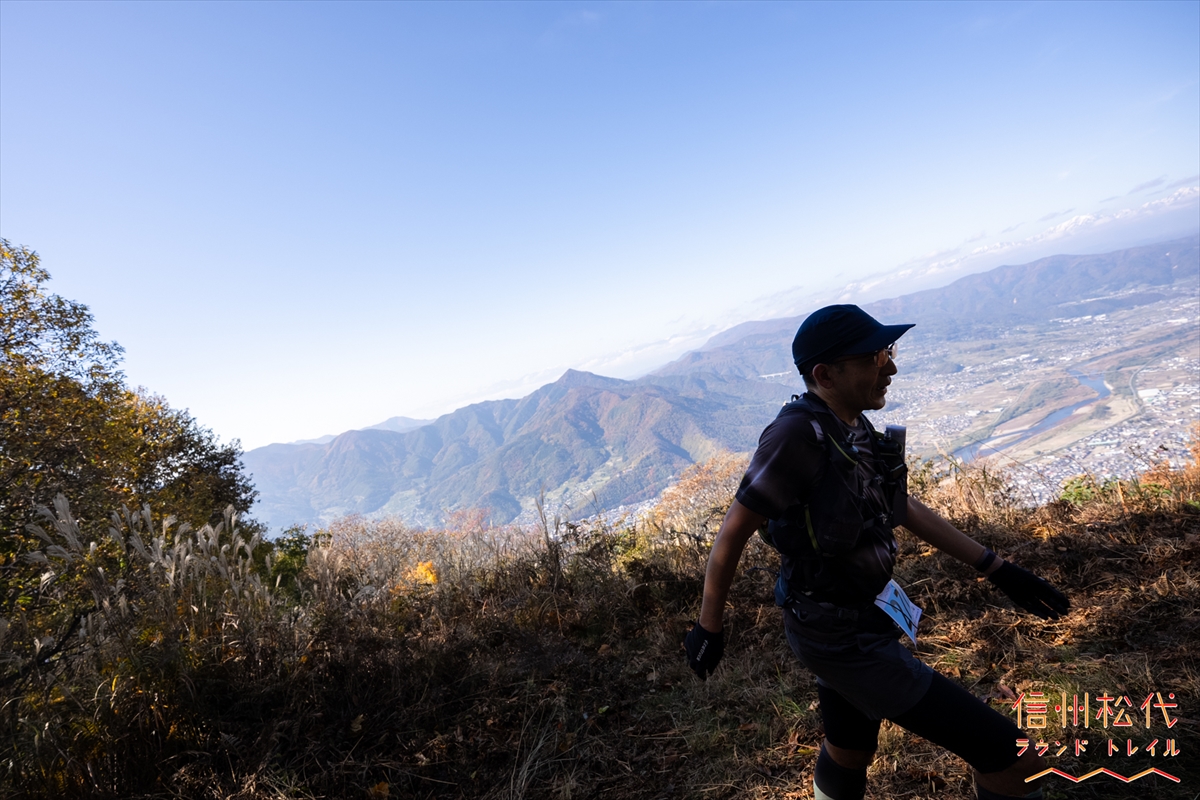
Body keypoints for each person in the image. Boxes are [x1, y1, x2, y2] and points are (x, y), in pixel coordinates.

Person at [684, 304, 1070, 800]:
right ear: (825, 375)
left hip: (860, 616)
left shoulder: (850, 423)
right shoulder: (797, 435)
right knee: (1009, 755)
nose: (890, 367)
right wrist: (709, 628)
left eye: (887, 352)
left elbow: (899, 506)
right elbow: (733, 531)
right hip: (838, 637)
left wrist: (997, 568)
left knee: (850, 748)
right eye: (874, 357)